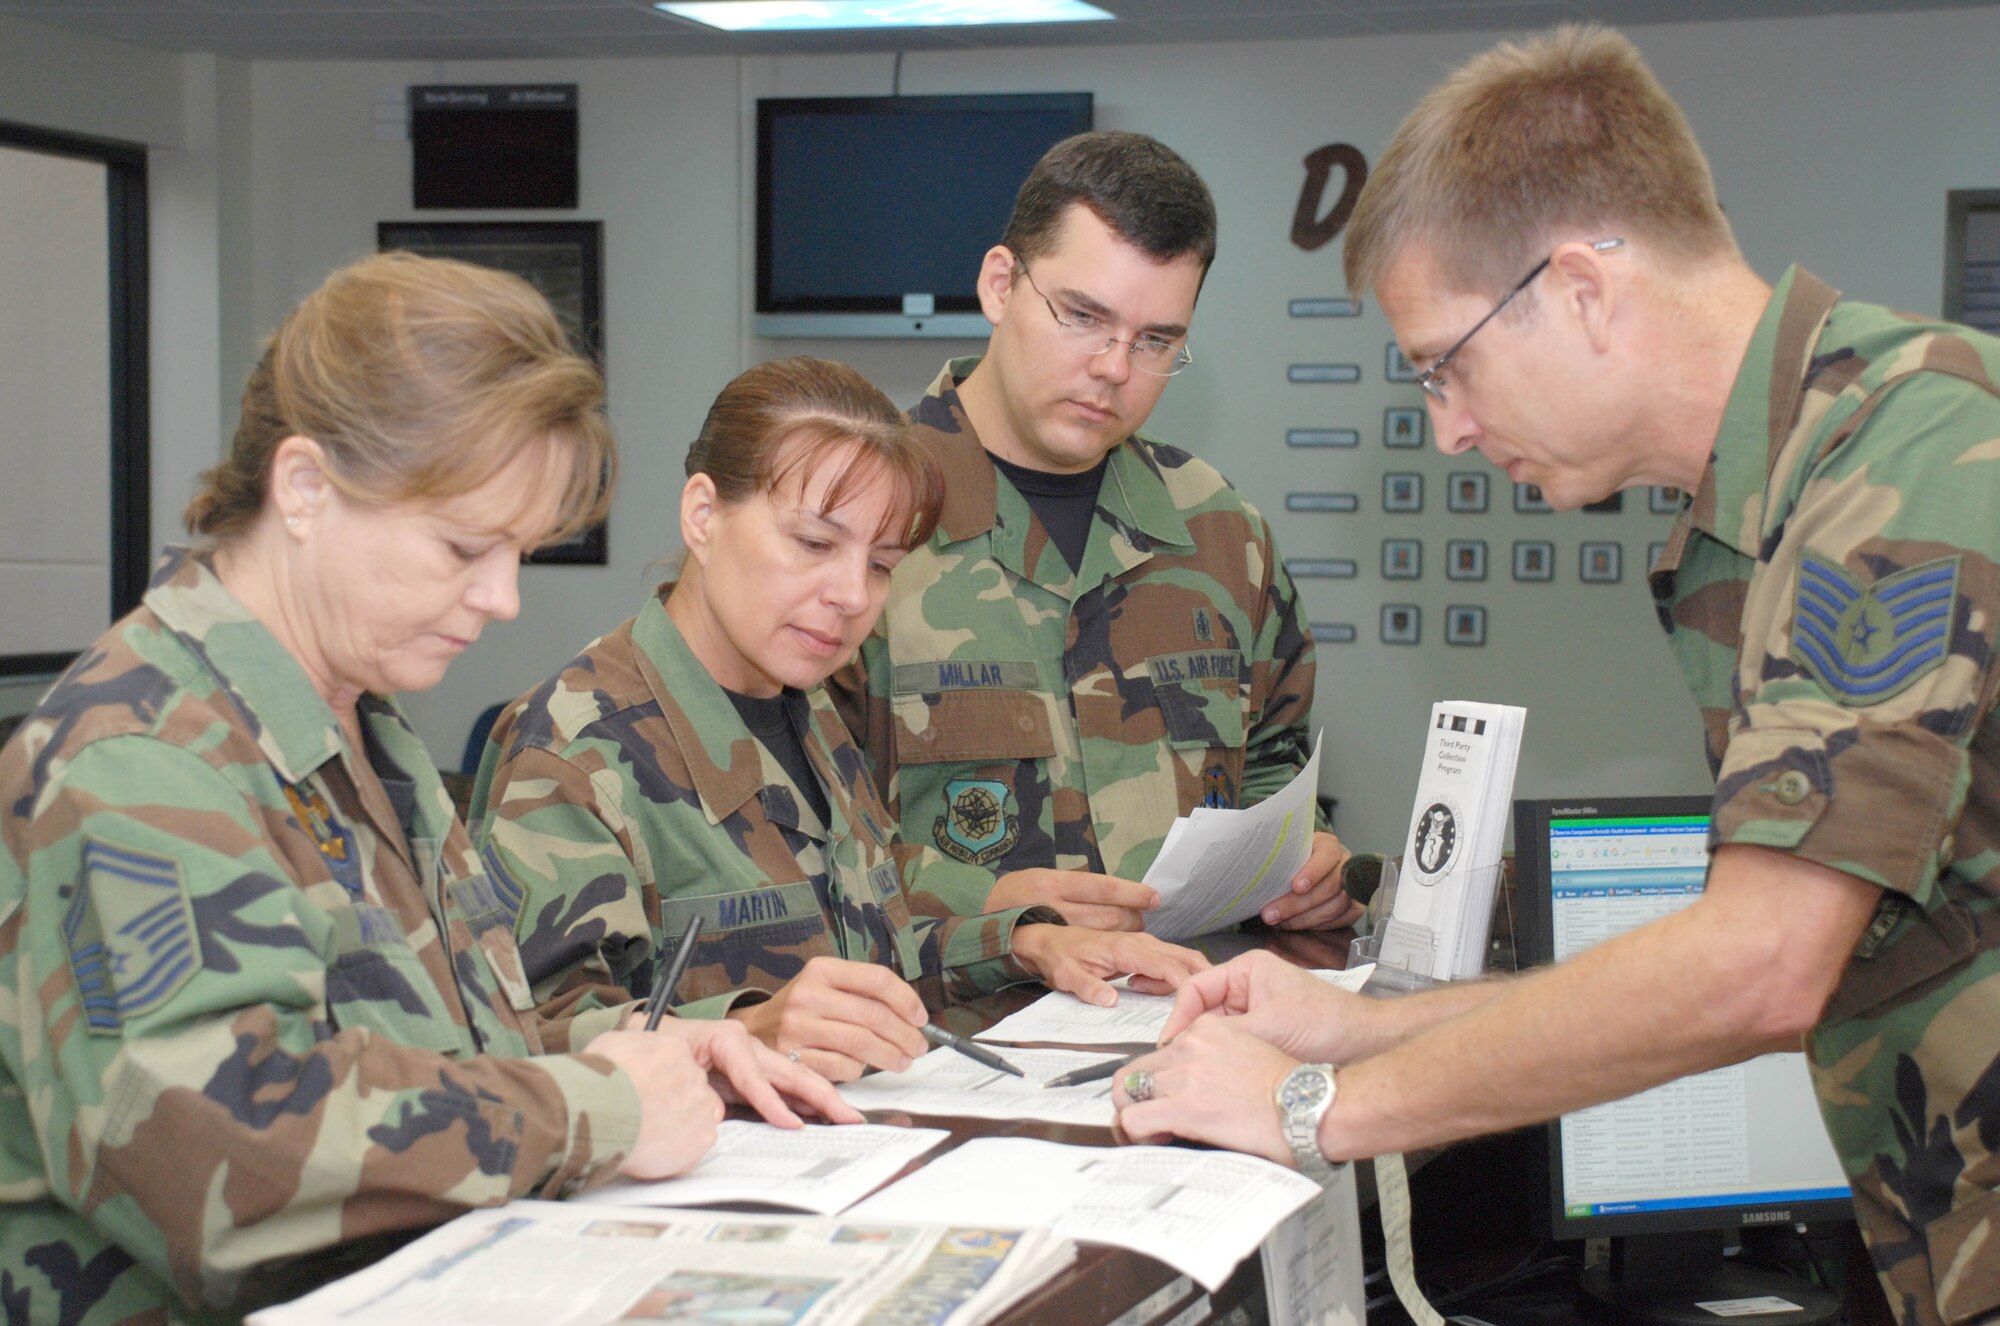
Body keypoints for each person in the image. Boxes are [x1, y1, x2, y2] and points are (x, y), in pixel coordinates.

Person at [1110, 25, 2000, 1324]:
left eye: (1442, 364)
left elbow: (1761, 962)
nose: (1448, 427)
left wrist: (1319, 1106)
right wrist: (1363, 1029)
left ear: (1580, 287)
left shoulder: (1908, 443)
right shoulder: (1736, 520)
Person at [0, 254, 854, 1326]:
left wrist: (635, 1051)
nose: (499, 599)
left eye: (518, 553)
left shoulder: (364, 729)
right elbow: (222, 1153)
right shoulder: (137, 755)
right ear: (305, 488)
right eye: (461, 548)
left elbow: (428, 1054)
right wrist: (593, 1109)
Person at [470, 356, 1209, 1083]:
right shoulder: (572, 752)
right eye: (814, 544)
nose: (852, 595)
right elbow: (522, 1052)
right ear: (703, 516)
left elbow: (866, 943)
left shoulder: (809, 712)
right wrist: (745, 1032)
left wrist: (1029, 944)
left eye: (882, 563)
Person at [827, 131, 1359, 937]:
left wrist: (1311, 857)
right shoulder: (858, 525)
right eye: (1082, 317)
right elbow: (786, 849)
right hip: (951, 1037)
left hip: (1189, 1021)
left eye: (1156, 341)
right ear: (1001, 285)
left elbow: (1275, 767)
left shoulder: (1218, 529)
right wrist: (992, 908)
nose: (1115, 366)